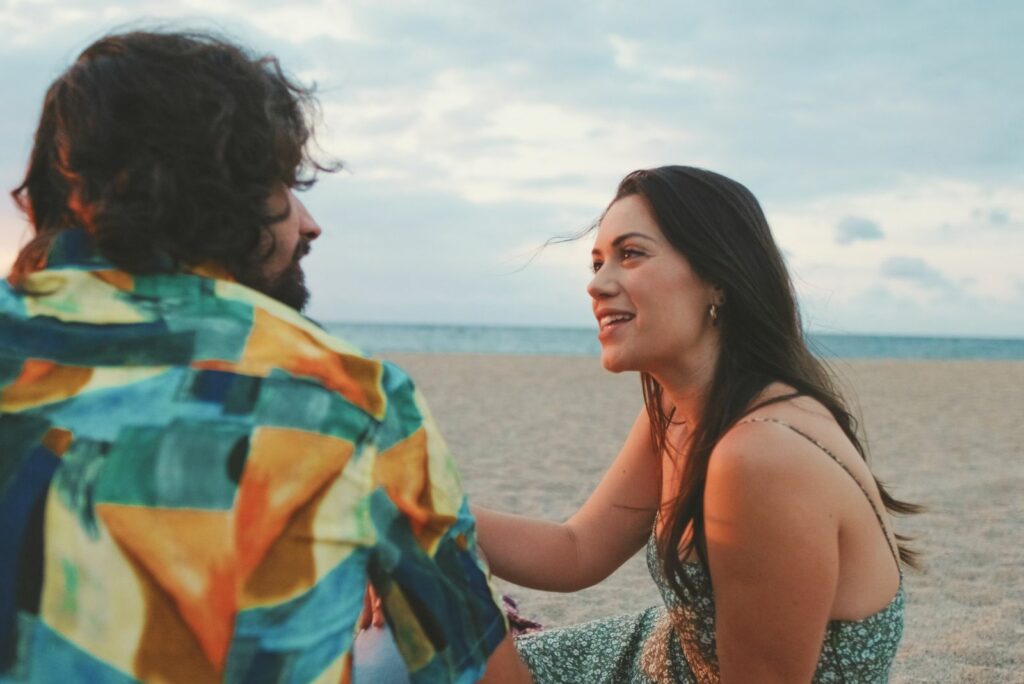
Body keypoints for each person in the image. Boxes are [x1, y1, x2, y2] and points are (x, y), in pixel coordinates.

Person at [0, 30, 530, 683]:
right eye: (284, 181)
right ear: (229, 189)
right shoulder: (351, 393)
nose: (310, 224)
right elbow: (493, 676)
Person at [473, 166, 919, 683]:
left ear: (718, 280)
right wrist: (421, 517)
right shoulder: (678, 407)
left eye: (631, 253)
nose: (596, 284)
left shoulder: (762, 456)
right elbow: (577, 550)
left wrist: (450, 588)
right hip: (659, 654)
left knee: (414, 630)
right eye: (596, 262)